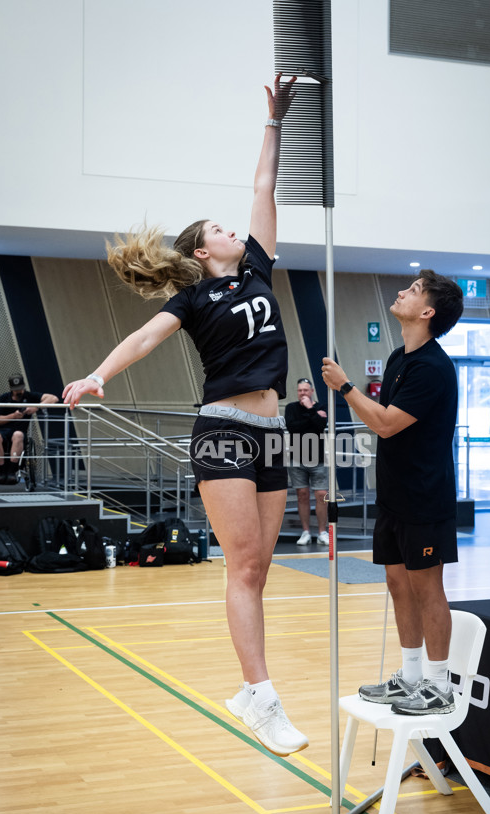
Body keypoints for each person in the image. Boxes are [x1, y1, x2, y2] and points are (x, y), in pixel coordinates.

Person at [62, 74, 308, 757]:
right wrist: (98, 374)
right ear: (204, 252)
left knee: (261, 568)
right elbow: (143, 338)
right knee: (244, 563)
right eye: (221, 230)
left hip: (273, 430)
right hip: (225, 430)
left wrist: (274, 122)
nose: (235, 230)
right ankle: (261, 697)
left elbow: (262, 190)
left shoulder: (257, 270)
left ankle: (250, 694)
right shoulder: (195, 302)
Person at [322, 270, 463, 715]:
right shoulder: (399, 356)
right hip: (395, 495)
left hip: (425, 497)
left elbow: (384, 422)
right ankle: (411, 677)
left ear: (427, 312)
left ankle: (439, 687)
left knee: (427, 588)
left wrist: (345, 388)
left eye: (414, 290)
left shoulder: (432, 368)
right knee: (397, 583)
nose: (402, 292)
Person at [284, 377, 329, 545]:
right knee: (302, 495)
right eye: (300, 390)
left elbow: (320, 426)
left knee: (321, 495)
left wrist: (311, 410)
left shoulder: (320, 406)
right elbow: (292, 427)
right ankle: (305, 532)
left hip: (317, 459)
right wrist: (313, 417)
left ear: (312, 391)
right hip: (297, 459)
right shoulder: (291, 408)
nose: (302, 393)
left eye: (305, 390)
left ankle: (322, 532)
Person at [0, 374, 58, 484]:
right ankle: (2, 471)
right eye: (16, 389)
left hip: (20, 431)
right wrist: (13, 416)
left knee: (18, 435)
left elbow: (53, 398)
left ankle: (12, 470)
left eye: (20, 388)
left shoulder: (30, 396)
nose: (19, 391)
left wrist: (36, 407)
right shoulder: (3, 398)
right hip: (2, 430)